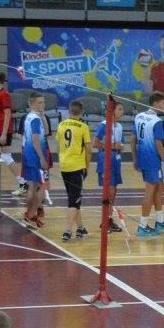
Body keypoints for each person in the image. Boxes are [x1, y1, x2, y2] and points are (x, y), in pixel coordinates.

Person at [132, 92, 164, 237]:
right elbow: (158, 144)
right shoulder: (156, 121)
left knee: (160, 186)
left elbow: (133, 139)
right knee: (149, 191)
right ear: (155, 104)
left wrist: (134, 158)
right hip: (152, 160)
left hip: (143, 157)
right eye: (163, 103)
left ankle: (160, 220)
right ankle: (142, 225)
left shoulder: (139, 116)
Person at [55, 100, 93, 242]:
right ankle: (67, 231)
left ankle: (81, 227)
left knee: (74, 198)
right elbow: (88, 149)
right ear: (81, 112)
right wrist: (87, 167)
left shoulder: (61, 125)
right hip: (77, 166)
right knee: (73, 201)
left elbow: (58, 146)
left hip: (64, 165)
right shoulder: (83, 127)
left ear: (69, 111)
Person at [90, 101, 130, 233]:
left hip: (116, 161)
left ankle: (108, 220)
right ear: (112, 111)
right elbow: (95, 143)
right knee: (109, 192)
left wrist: (120, 147)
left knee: (113, 193)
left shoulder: (119, 126)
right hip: (106, 160)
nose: (122, 112)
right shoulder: (104, 125)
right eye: (120, 109)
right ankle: (104, 222)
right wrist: (113, 146)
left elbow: (121, 144)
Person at [20, 92, 51, 230]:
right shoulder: (35, 119)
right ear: (31, 104)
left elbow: (47, 133)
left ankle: (29, 214)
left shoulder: (31, 116)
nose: (43, 105)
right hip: (35, 157)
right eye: (40, 102)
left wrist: (43, 115)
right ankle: (31, 216)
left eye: (43, 102)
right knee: (42, 187)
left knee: (32, 186)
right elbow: (35, 139)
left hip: (28, 155)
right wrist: (42, 158)